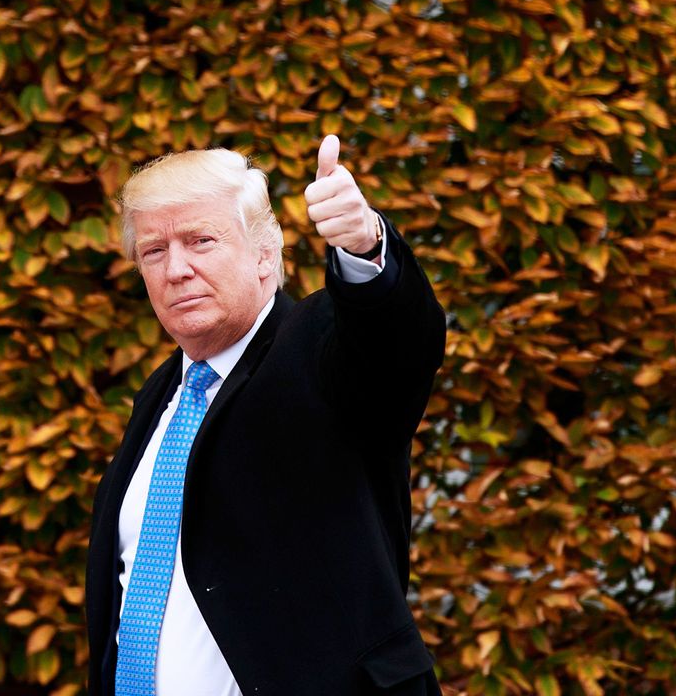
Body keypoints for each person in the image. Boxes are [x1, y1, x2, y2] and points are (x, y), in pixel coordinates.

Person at [85, 135, 447, 696]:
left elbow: (396, 344)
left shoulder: (317, 350)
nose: (176, 268)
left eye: (201, 240)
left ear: (263, 253)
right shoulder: (163, 395)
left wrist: (364, 247)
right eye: (154, 251)